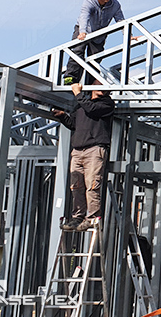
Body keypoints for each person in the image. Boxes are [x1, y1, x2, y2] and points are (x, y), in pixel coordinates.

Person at [52, 81, 115, 231]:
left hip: (94, 149)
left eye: (105, 87)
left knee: (92, 185)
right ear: (92, 86)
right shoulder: (81, 105)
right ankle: (78, 217)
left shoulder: (107, 104)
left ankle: (92, 217)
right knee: (76, 185)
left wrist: (77, 93)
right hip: (78, 150)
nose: (102, 89)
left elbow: (91, 109)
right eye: (99, 85)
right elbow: (74, 124)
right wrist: (62, 116)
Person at [63, 0, 126, 85]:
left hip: (99, 34)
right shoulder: (89, 2)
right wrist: (82, 32)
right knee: (78, 51)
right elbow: (84, 17)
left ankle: (90, 84)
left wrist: (129, 35)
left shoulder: (115, 4)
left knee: (95, 58)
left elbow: (121, 20)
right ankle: (71, 79)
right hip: (84, 30)